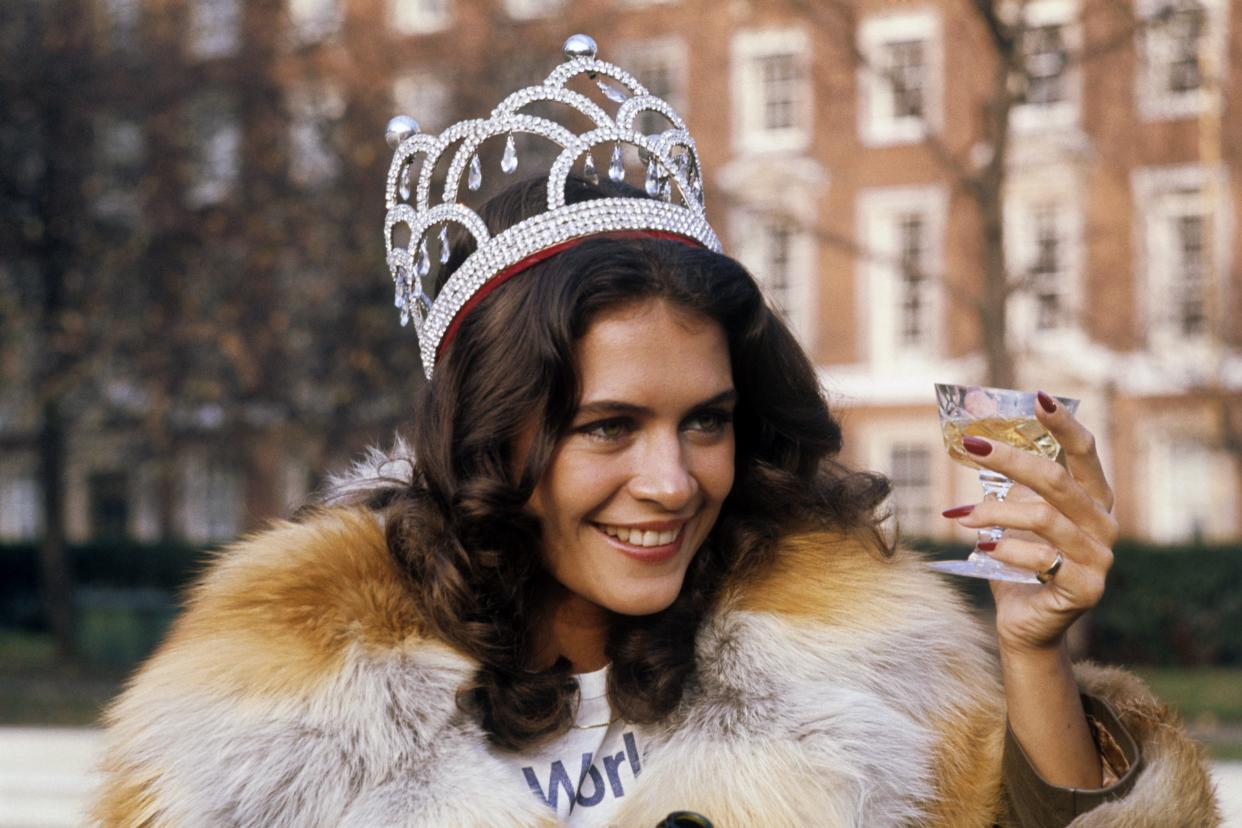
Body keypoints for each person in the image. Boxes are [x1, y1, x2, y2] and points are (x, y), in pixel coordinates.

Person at [92, 36, 1219, 827]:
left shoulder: (866, 670)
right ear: (496, 445)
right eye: (608, 427)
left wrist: (1033, 653)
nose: (673, 481)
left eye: (708, 422)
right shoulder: (259, 723)